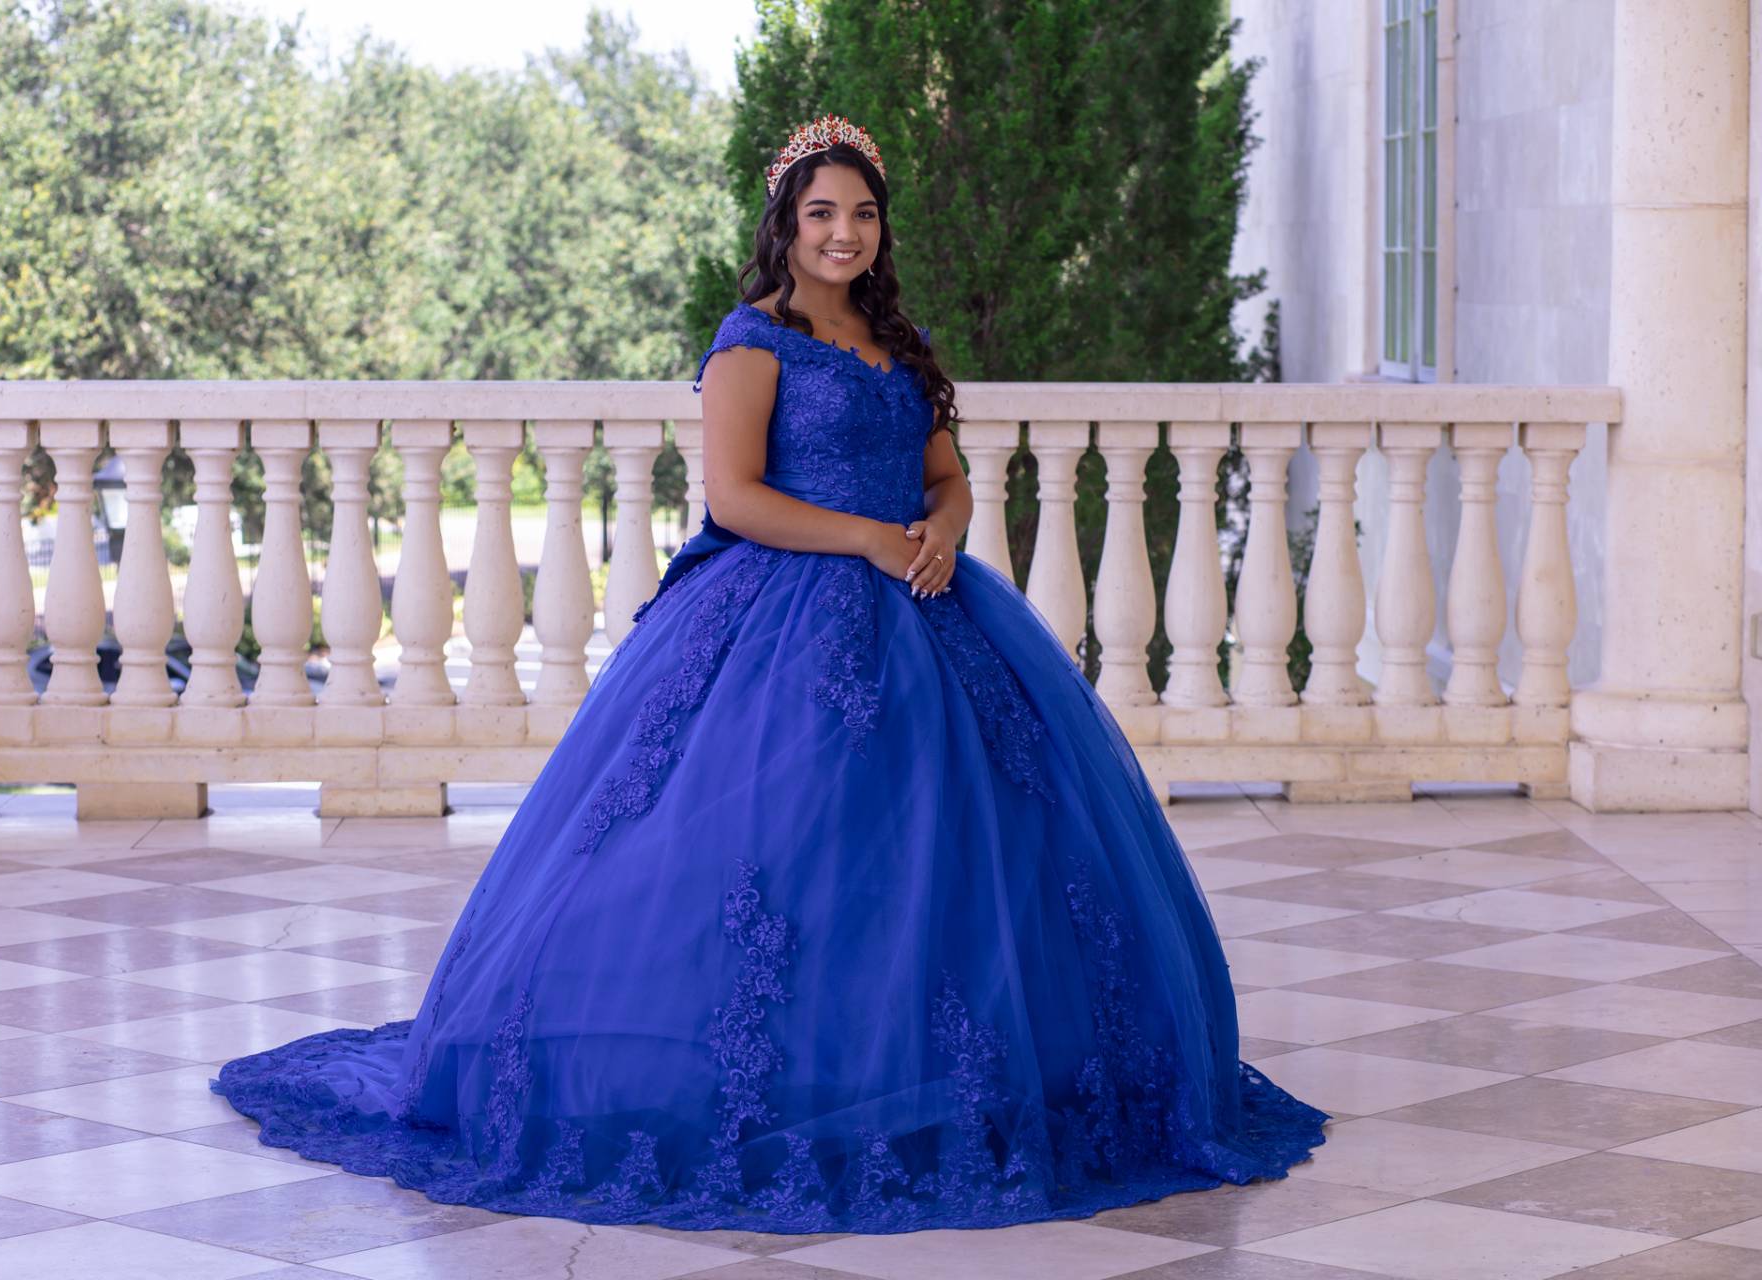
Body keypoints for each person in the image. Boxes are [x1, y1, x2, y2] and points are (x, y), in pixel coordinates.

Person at [211, 113, 1329, 1234]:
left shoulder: (901, 343)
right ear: (787, 228)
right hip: (785, 615)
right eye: (821, 214)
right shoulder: (752, 341)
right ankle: (783, 1087)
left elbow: (944, 477)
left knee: (950, 853)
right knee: (771, 855)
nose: (844, 232)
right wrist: (870, 539)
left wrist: (939, 528)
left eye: (863, 212)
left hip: (932, 608)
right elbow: (736, 497)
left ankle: (961, 1079)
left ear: (882, 228)